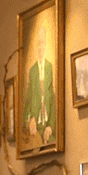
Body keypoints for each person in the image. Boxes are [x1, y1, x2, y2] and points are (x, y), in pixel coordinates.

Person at [22, 19, 55, 147]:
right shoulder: (33, 70)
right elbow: (28, 102)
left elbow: (52, 99)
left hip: (48, 124)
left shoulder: (49, 67)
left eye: (43, 43)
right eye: (38, 44)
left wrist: (51, 126)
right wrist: (30, 120)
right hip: (37, 127)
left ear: (46, 45)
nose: (40, 47)